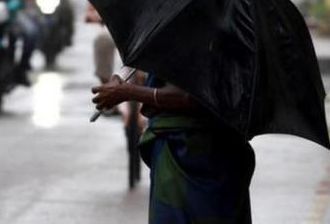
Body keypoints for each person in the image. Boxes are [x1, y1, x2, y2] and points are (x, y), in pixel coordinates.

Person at [92, 72, 255, 223]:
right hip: (220, 154)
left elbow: (187, 95)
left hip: (189, 154)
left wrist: (127, 91)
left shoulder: (202, 43)